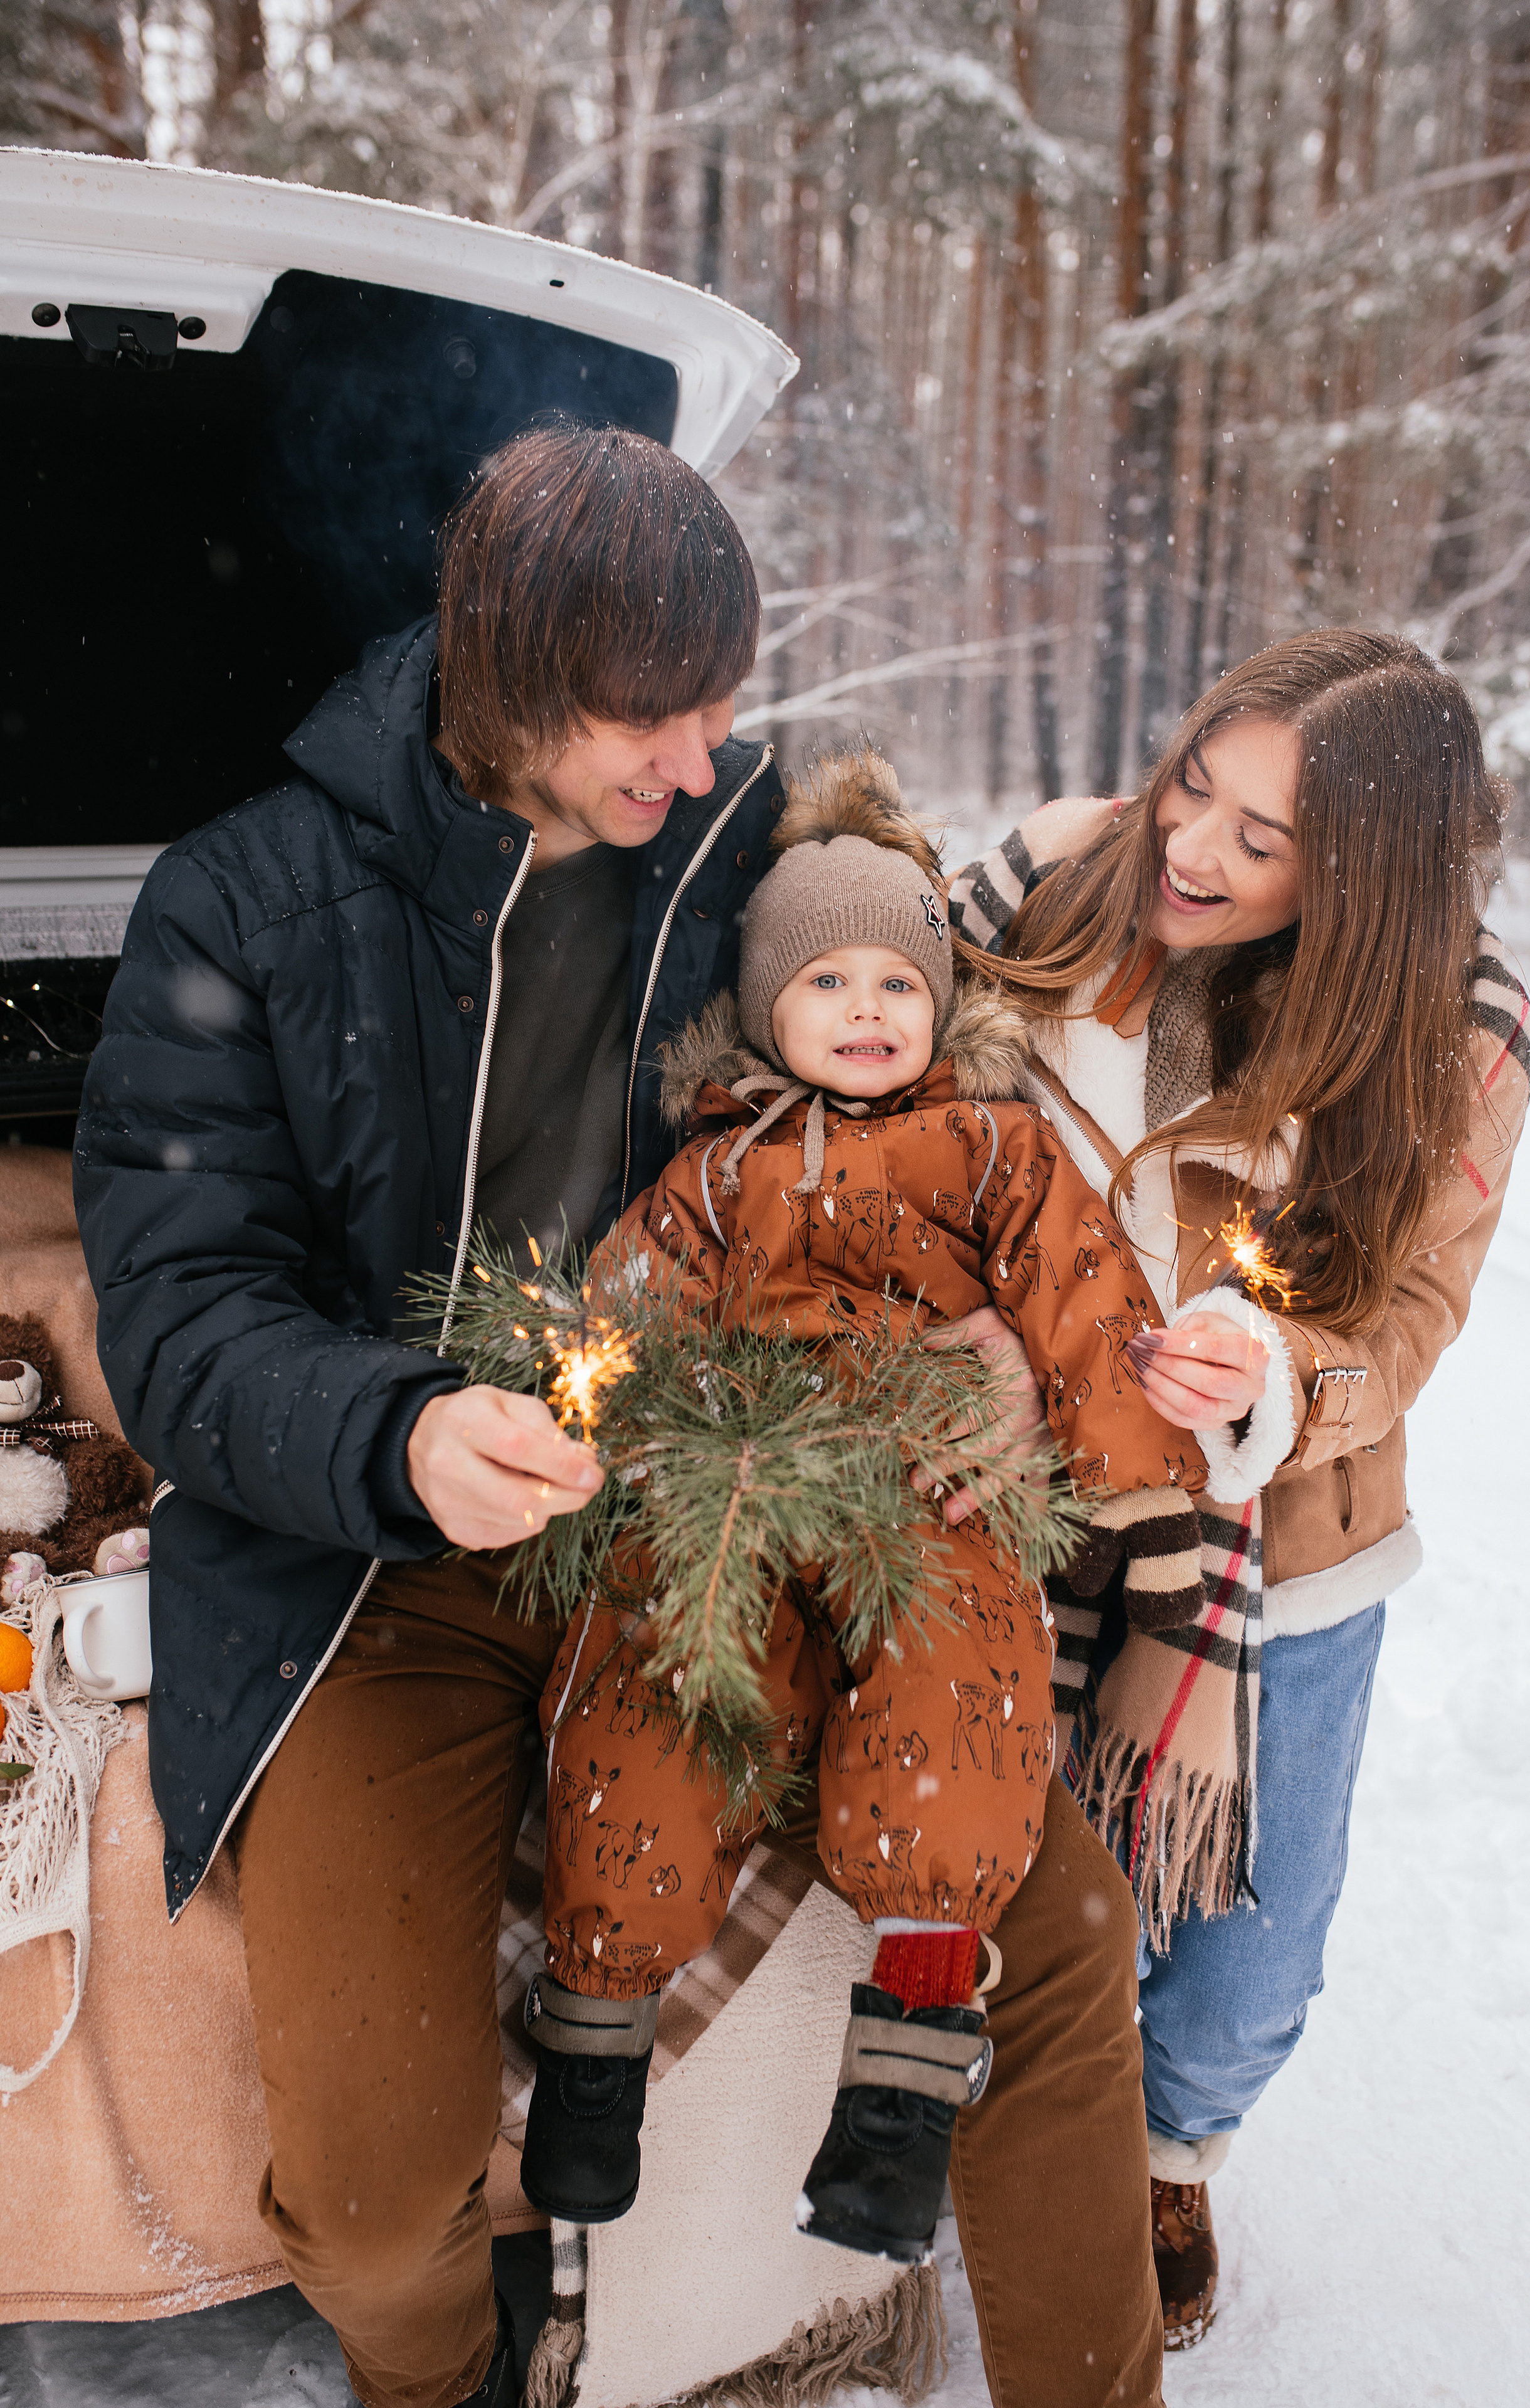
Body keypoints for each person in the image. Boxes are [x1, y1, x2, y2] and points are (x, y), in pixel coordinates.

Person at [73, 421, 1178, 2408]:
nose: (701, 755)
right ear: (503, 676)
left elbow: (952, 1043)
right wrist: (406, 1435)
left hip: (739, 1506)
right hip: (384, 1578)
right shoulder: (245, 904)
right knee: (370, 2201)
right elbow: (181, 1315)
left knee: (1069, 1932)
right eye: (649, 716)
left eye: (721, 701)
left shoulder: (736, 840)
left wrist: (1024, 1345)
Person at [525, 745, 1210, 2266]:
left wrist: (1138, 1493)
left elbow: (1084, 1297)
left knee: (959, 1696)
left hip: (925, 1483)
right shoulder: (715, 1175)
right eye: (825, 981)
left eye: (897, 983)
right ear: (765, 1005)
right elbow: (619, 1312)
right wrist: (576, 1421)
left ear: (939, 1005)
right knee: (655, 1686)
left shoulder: (994, 1147)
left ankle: (897, 2098)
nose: (865, 1009)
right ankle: (593, 2046)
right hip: (737, 1479)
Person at [951, 627, 1530, 2350]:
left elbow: (1409, 1314)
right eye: (1192, 786)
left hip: (1282, 1532)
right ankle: (1031, 2118)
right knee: (1038, 1877)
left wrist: (1280, 1373)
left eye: (1261, 839)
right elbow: (860, 1025)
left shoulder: (1455, 1032)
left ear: (1364, 882)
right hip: (1036, 1491)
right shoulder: (1062, 881)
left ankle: (1173, 2142)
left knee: (1249, 1945)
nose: (1191, 849)